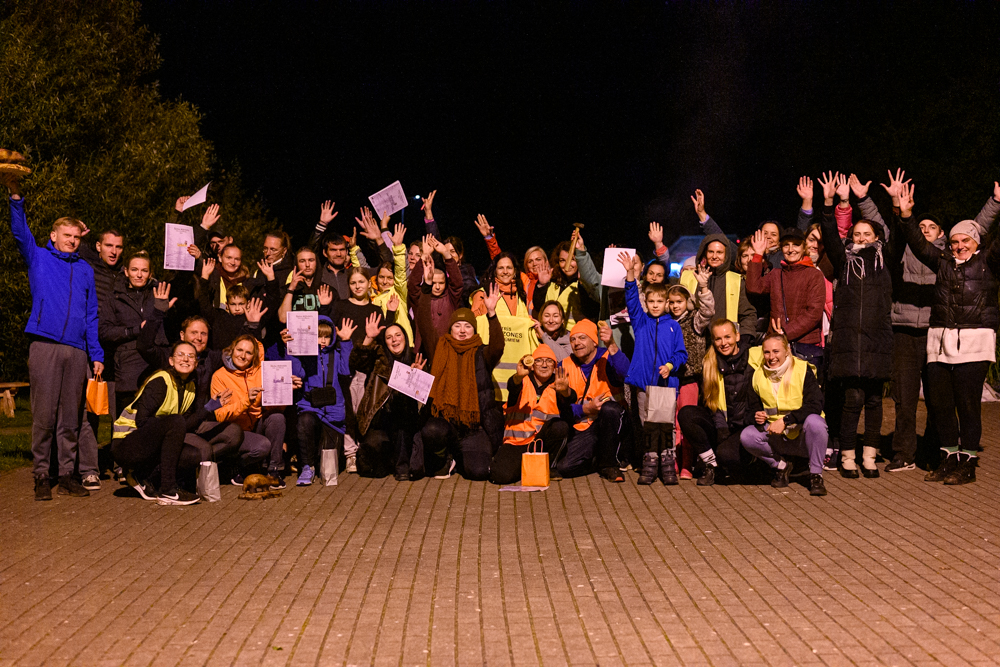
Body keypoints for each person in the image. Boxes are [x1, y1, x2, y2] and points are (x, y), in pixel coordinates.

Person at [882, 170, 1000, 471]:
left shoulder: (987, 263)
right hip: (942, 343)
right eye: (956, 241)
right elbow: (918, 243)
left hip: (974, 343)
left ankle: (966, 462)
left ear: (976, 242)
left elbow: (988, 233)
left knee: (967, 405)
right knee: (942, 404)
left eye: (966, 241)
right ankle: (946, 458)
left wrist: (997, 204)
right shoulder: (943, 262)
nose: (960, 246)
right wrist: (904, 213)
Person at [5, 174, 103, 501]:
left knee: (70, 419)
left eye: (76, 237)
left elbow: (91, 315)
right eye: (66, 236)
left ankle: (67, 475)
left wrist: (96, 354)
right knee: (44, 417)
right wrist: (15, 197)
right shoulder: (39, 258)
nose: (72, 241)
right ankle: (41, 476)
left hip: (76, 351)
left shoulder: (86, 269)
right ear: (53, 236)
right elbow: (20, 232)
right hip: (44, 345)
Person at [819, 172, 893, 478]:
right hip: (849, 344)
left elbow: (900, 234)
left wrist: (867, 199)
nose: (861, 238)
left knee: (874, 401)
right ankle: (848, 457)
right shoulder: (844, 260)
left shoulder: (885, 261)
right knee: (852, 400)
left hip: (877, 342)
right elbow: (829, 234)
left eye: (867, 234)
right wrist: (830, 201)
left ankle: (870, 457)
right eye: (857, 234)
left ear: (877, 238)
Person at [111, 341, 226, 506]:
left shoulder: (190, 386)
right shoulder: (161, 380)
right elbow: (142, 421)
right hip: (126, 444)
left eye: (191, 356)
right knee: (175, 420)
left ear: (196, 363)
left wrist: (209, 408)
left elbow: (184, 425)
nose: (185, 359)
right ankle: (168, 490)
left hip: (150, 444)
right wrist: (168, 426)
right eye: (181, 355)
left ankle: (143, 477)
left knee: (194, 455)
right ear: (171, 361)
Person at [420, 287, 505, 480]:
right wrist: (425, 291)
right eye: (457, 326)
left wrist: (492, 314)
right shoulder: (440, 348)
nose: (462, 330)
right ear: (450, 329)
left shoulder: (482, 353)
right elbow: (425, 324)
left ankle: (459, 456)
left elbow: (498, 347)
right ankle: (446, 456)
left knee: (479, 472)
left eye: (467, 326)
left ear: (474, 330)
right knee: (432, 430)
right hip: (446, 422)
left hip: (472, 427)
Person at [619, 252, 687, 485]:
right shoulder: (641, 322)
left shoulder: (674, 327)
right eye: (651, 302)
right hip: (643, 385)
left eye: (660, 302)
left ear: (667, 304)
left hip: (666, 385)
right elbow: (631, 300)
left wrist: (669, 366)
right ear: (646, 303)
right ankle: (650, 462)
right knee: (646, 424)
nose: (655, 305)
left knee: (666, 425)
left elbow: (682, 354)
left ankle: (667, 463)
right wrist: (630, 274)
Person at [740, 333, 829, 496]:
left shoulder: (803, 369)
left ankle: (816, 475)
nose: (771, 357)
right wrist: (756, 416)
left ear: (787, 351)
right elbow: (750, 411)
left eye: (776, 351)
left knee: (816, 422)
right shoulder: (757, 375)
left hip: (803, 436)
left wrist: (786, 420)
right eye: (767, 352)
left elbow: (815, 405)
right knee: (747, 436)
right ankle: (781, 466)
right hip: (777, 436)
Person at [677, 319, 760, 486]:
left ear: (737, 336)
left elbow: (781, 354)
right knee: (686, 414)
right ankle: (711, 465)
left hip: (746, 427)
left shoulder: (755, 356)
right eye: (718, 339)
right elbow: (712, 405)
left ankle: (753, 464)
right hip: (722, 426)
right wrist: (721, 429)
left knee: (726, 455)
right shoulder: (710, 363)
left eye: (727, 337)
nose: (723, 343)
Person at [350, 316, 425, 480]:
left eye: (398, 335)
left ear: (405, 337)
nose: (394, 340)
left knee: (404, 429)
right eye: (389, 337)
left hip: (407, 422)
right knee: (374, 460)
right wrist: (368, 338)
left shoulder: (415, 359)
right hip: (381, 420)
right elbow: (356, 363)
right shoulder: (378, 359)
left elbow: (421, 401)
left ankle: (402, 468)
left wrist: (415, 378)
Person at [557, 320, 631, 482]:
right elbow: (562, 409)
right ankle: (599, 460)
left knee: (609, 409)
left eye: (582, 338)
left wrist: (611, 344)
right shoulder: (564, 365)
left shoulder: (608, 357)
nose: (577, 343)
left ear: (594, 341)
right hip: (584, 425)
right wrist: (586, 409)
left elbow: (626, 372)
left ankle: (610, 464)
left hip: (613, 421)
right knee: (565, 468)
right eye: (573, 339)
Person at [100, 251, 168, 426]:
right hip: (128, 368)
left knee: (155, 423)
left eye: (144, 271)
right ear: (126, 271)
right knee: (126, 423)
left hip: (156, 366)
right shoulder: (114, 297)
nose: (139, 275)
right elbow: (105, 332)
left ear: (150, 274)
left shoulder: (158, 294)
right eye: (134, 270)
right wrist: (136, 330)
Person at [210, 335, 289, 485]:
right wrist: (246, 401)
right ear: (232, 350)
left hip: (256, 425)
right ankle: (236, 467)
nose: (243, 356)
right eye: (239, 350)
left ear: (254, 356)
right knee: (262, 446)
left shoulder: (262, 372)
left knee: (277, 417)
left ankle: (273, 471)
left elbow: (272, 408)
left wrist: (284, 390)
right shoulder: (220, 376)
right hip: (236, 431)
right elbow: (219, 416)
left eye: (248, 353)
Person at [491, 344, 572, 485]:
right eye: (539, 360)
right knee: (500, 476)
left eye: (549, 361)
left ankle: (550, 466)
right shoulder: (522, 380)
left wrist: (565, 391)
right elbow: (512, 386)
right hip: (516, 442)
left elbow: (571, 398)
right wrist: (518, 376)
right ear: (532, 366)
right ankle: (526, 467)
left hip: (541, 442)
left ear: (554, 366)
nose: (544, 365)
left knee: (561, 426)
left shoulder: (558, 383)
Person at [745, 227, 825, 367]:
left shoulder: (814, 275)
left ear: (804, 247)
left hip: (804, 345)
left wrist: (786, 332)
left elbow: (814, 313)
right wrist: (758, 255)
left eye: (796, 245)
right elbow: (754, 287)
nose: (790, 249)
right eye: (786, 245)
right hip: (776, 346)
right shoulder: (776, 274)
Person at [289, 316, 356, 485]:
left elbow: (346, 370)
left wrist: (346, 342)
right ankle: (307, 467)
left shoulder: (336, 353)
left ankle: (317, 462)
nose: (323, 341)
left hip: (333, 412)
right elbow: (297, 373)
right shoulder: (306, 356)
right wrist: (292, 348)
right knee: (305, 421)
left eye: (327, 336)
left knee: (328, 463)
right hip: (311, 407)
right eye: (319, 336)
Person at [682, 190, 757, 335]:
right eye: (711, 252)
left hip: (726, 342)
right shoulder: (688, 276)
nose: (715, 256)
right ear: (704, 253)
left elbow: (748, 314)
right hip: (695, 342)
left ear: (726, 255)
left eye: (719, 252)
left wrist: (745, 339)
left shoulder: (737, 280)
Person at [666, 269, 715, 480]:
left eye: (679, 301)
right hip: (668, 380)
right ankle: (673, 462)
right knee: (670, 422)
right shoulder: (665, 322)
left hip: (689, 379)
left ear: (687, 302)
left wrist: (703, 288)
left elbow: (708, 311)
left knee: (685, 423)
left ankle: (687, 463)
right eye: (671, 302)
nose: (675, 306)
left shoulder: (695, 320)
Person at [470, 252, 538, 400]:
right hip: (492, 371)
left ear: (515, 271)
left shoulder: (521, 296)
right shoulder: (483, 294)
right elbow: (474, 326)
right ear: (494, 271)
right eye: (501, 268)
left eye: (509, 268)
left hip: (518, 373)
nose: (505, 271)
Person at [408, 234, 465, 363]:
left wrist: (446, 254)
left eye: (441, 283)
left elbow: (457, 283)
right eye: (434, 283)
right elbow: (412, 286)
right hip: (423, 353)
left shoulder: (451, 299)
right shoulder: (422, 298)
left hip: (446, 352)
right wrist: (423, 257)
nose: (438, 287)